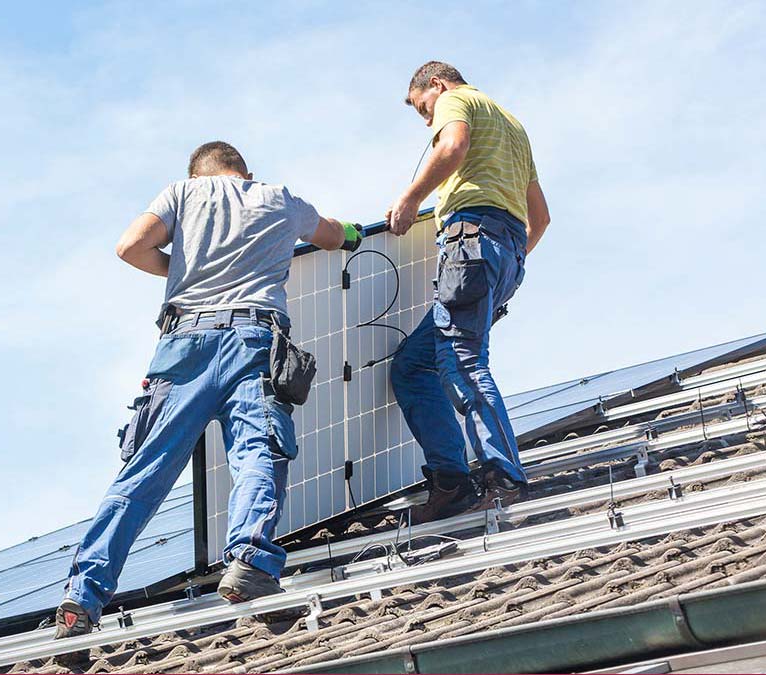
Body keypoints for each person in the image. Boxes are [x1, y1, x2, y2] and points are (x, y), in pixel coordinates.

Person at [54, 141, 359, 638]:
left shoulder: (181, 194)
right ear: (245, 172)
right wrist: (351, 231)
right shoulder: (277, 197)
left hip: (182, 346)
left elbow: (130, 247)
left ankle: (81, 596)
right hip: (252, 343)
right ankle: (249, 563)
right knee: (258, 453)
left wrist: (178, 267)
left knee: (145, 472)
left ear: (198, 174)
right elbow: (331, 235)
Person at [386, 61, 551, 523]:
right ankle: (452, 482)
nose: (428, 122)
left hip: (472, 244)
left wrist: (411, 199)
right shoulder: (512, 125)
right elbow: (541, 218)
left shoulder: (458, 100)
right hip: (505, 256)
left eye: (423, 109)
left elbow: (453, 145)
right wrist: (505, 257)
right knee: (414, 365)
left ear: (436, 85)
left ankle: (505, 477)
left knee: (463, 362)